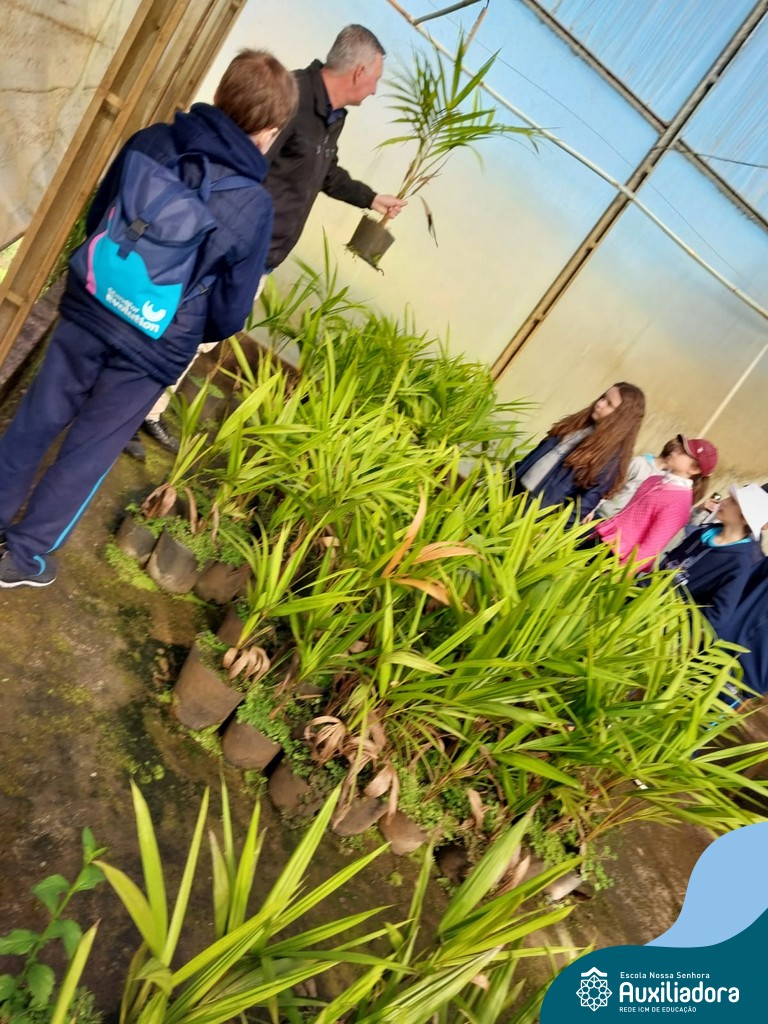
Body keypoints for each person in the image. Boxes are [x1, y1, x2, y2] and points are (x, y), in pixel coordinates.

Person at [0, 49, 299, 588]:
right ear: (268, 131)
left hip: (91, 306)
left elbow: (99, 218)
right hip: (154, 346)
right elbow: (230, 313)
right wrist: (175, 320)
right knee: (89, 452)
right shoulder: (254, 207)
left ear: (221, 93)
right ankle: (23, 557)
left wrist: (114, 282)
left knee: (35, 419)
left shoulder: (154, 141)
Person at [131, 24, 407, 457]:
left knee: (198, 335)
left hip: (261, 255)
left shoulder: (332, 118)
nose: (374, 90)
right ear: (358, 72)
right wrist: (230, 238)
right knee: (180, 326)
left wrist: (371, 198)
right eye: (375, 79)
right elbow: (244, 166)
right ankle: (133, 408)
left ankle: (146, 408)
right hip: (231, 247)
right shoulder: (291, 98)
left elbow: (326, 173)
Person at [511, 382, 646, 525]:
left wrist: (549, 528)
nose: (600, 404)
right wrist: (507, 478)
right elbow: (533, 457)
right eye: (603, 398)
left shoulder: (610, 460)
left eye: (609, 404)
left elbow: (582, 507)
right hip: (511, 492)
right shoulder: (576, 425)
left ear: (622, 417)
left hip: (532, 517)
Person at [591, 435, 718, 572]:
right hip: (601, 540)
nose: (675, 450)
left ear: (695, 469)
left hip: (617, 559)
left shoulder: (680, 504)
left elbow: (651, 548)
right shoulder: (654, 479)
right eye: (679, 447)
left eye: (683, 452)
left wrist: (620, 572)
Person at [660, 484, 768, 634]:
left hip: (660, 623)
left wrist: (676, 622)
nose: (724, 501)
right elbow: (669, 561)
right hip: (643, 597)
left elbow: (717, 615)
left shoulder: (739, 562)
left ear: (746, 517)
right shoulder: (701, 534)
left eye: (733, 501)